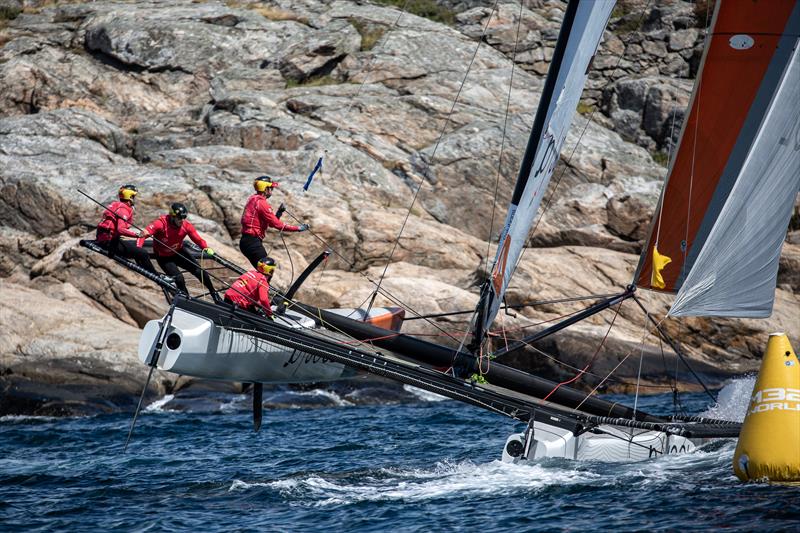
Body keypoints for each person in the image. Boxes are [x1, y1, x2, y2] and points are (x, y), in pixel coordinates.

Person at [139, 202, 219, 301]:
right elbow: (143, 235)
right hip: (164, 257)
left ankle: (214, 294)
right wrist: (138, 248)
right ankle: (187, 299)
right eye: (179, 218)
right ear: (172, 217)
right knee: (179, 278)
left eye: (183, 218)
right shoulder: (161, 224)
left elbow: (198, 240)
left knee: (200, 271)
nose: (182, 220)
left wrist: (205, 248)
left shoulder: (186, 225)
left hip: (178, 252)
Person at [239, 175, 309, 268]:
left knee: (262, 271)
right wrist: (299, 228)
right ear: (265, 189)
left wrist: (279, 213)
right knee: (267, 268)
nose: (272, 190)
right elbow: (278, 225)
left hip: (247, 242)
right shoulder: (262, 203)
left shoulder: (253, 199)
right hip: (252, 242)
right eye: (271, 188)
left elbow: (271, 224)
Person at [95, 184, 156, 274]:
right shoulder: (123, 210)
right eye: (134, 196)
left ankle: (143, 268)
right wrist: (138, 235)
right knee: (143, 253)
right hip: (110, 242)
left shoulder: (115, 205)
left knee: (136, 249)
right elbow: (121, 229)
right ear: (130, 197)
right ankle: (154, 274)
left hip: (105, 238)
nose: (135, 199)